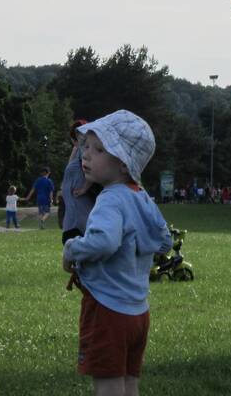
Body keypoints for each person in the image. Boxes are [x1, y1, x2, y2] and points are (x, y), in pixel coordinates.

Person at [62, 110, 172, 396]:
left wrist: (72, 249)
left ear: (123, 164)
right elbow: (164, 240)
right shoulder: (141, 197)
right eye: (86, 146)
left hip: (108, 309)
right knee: (129, 384)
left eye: (99, 149)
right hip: (137, 311)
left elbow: (103, 243)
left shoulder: (110, 199)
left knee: (108, 387)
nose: (86, 155)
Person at [61, 119, 101, 244]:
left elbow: (92, 169)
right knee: (71, 238)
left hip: (80, 205)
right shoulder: (78, 149)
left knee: (78, 238)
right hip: (73, 207)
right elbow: (69, 166)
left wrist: (84, 188)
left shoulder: (86, 149)